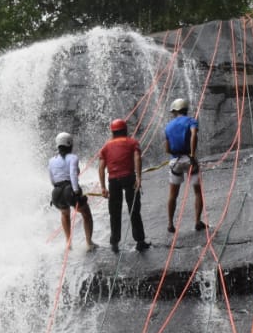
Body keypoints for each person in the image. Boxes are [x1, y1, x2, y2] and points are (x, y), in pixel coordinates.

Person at [96, 118, 150, 254]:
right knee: (134, 209)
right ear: (125, 130)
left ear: (113, 132)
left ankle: (114, 242)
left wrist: (103, 187)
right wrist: (138, 177)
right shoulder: (132, 142)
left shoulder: (106, 147)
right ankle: (140, 242)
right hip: (129, 177)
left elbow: (101, 168)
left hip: (113, 180)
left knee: (114, 212)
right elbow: (137, 157)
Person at [48, 131, 97, 251]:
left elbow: (52, 178)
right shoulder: (73, 158)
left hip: (56, 192)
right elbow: (73, 174)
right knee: (86, 213)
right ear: (70, 144)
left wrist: (57, 189)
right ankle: (89, 243)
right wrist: (76, 191)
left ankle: (68, 244)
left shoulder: (51, 160)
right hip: (69, 189)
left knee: (65, 214)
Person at [163, 98, 206, 234]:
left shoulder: (168, 126)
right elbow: (194, 135)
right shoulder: (191, 121)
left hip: (175, 160)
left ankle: (170, 224)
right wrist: (192, 155)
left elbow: (167, 149)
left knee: (172, 194)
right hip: (189, 159)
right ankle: (198, 222)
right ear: (186, 109)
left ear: (175, 111)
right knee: (197, 191)